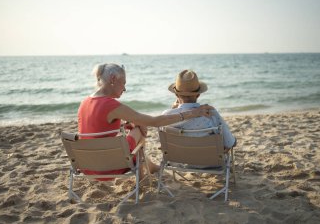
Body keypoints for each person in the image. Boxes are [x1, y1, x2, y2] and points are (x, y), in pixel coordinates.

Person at [78, 63, 213, 180]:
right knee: (139, 129)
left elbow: (98, 130)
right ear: (113, 79)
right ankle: (143, 177)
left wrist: (128, 124)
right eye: (123, 83)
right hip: (109, 168)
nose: (124, 89)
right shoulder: (110, 105)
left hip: (88, 166)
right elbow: (155, 121)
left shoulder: (85, 102)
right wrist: (193, 113)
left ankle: (151, 166)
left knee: (135, 126)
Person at [162, 69, 237, 149]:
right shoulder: (210, 114)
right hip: (208, 159)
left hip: (176, 159)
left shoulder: (165, 116)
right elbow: (230, 143)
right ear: (198, 95)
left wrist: (174, 108)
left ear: (176, 95)